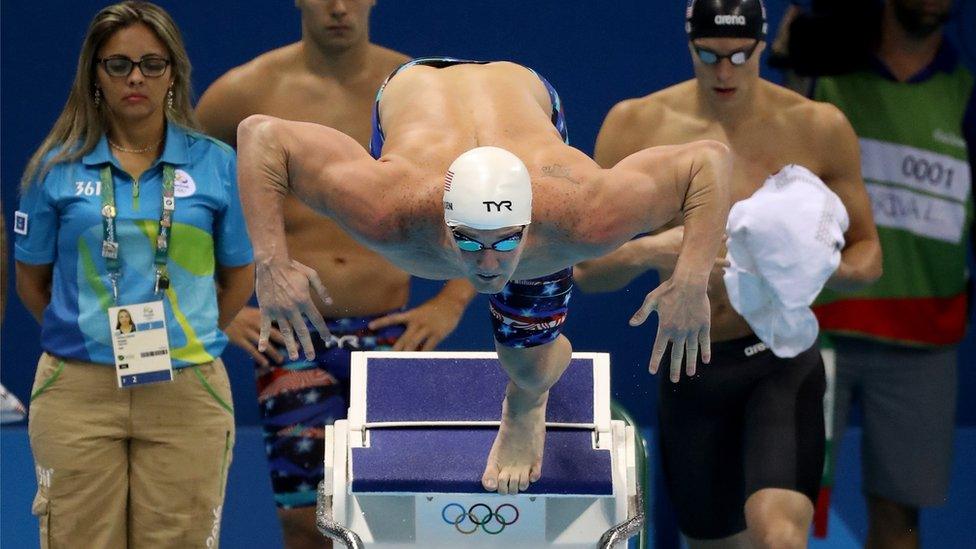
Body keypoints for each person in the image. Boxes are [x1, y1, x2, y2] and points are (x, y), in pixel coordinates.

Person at [236, 57, 732, 497]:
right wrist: (272, 263)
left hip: (523, 91)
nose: (487, 265)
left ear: (530, 222)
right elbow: (261, 134)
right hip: (416, 86)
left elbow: (706, 160)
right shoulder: (387, 208)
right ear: (443, 222)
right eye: (468, 242)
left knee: (528, 367)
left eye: (505, 241)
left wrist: (690, 278)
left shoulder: (581, 212)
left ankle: (525, 400)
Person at [573, 1, 882, 547]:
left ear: (763, 46)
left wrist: (804, 265)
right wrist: (653, 250)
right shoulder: (637, 125)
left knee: (779, 535)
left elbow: (869, 259)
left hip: (779, 361)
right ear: (688, 45)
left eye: (741, 56)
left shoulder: (817, 128)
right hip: (691, 364)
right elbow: (585, 270)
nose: (725, 72)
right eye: (709, 55)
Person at [196, 1, 475, 546]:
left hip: (395, 334)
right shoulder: (240, 94)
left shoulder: (416, 91)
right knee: (304, 521)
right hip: (293, 337)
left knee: (398, 516)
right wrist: (217, 307)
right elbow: (178, 203)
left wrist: (452, 300)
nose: (339, 8)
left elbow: (486, 197)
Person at [13, 2, 253, 547]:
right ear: (94, 76)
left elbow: (240, 276)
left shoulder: (216, 164)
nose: (136, 77)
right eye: (117, 65)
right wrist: (91, 334)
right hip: (77, 390)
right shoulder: (55, 167)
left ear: (174, 72)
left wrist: (187, 332)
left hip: (186, 387)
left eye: (152, 63)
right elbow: (33, 284)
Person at [797, 1, 975, 547]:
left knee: (900, 522)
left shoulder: (965, 91)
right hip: (814, 331)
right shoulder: (820, 75)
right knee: (784, 513)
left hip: (924, 339)